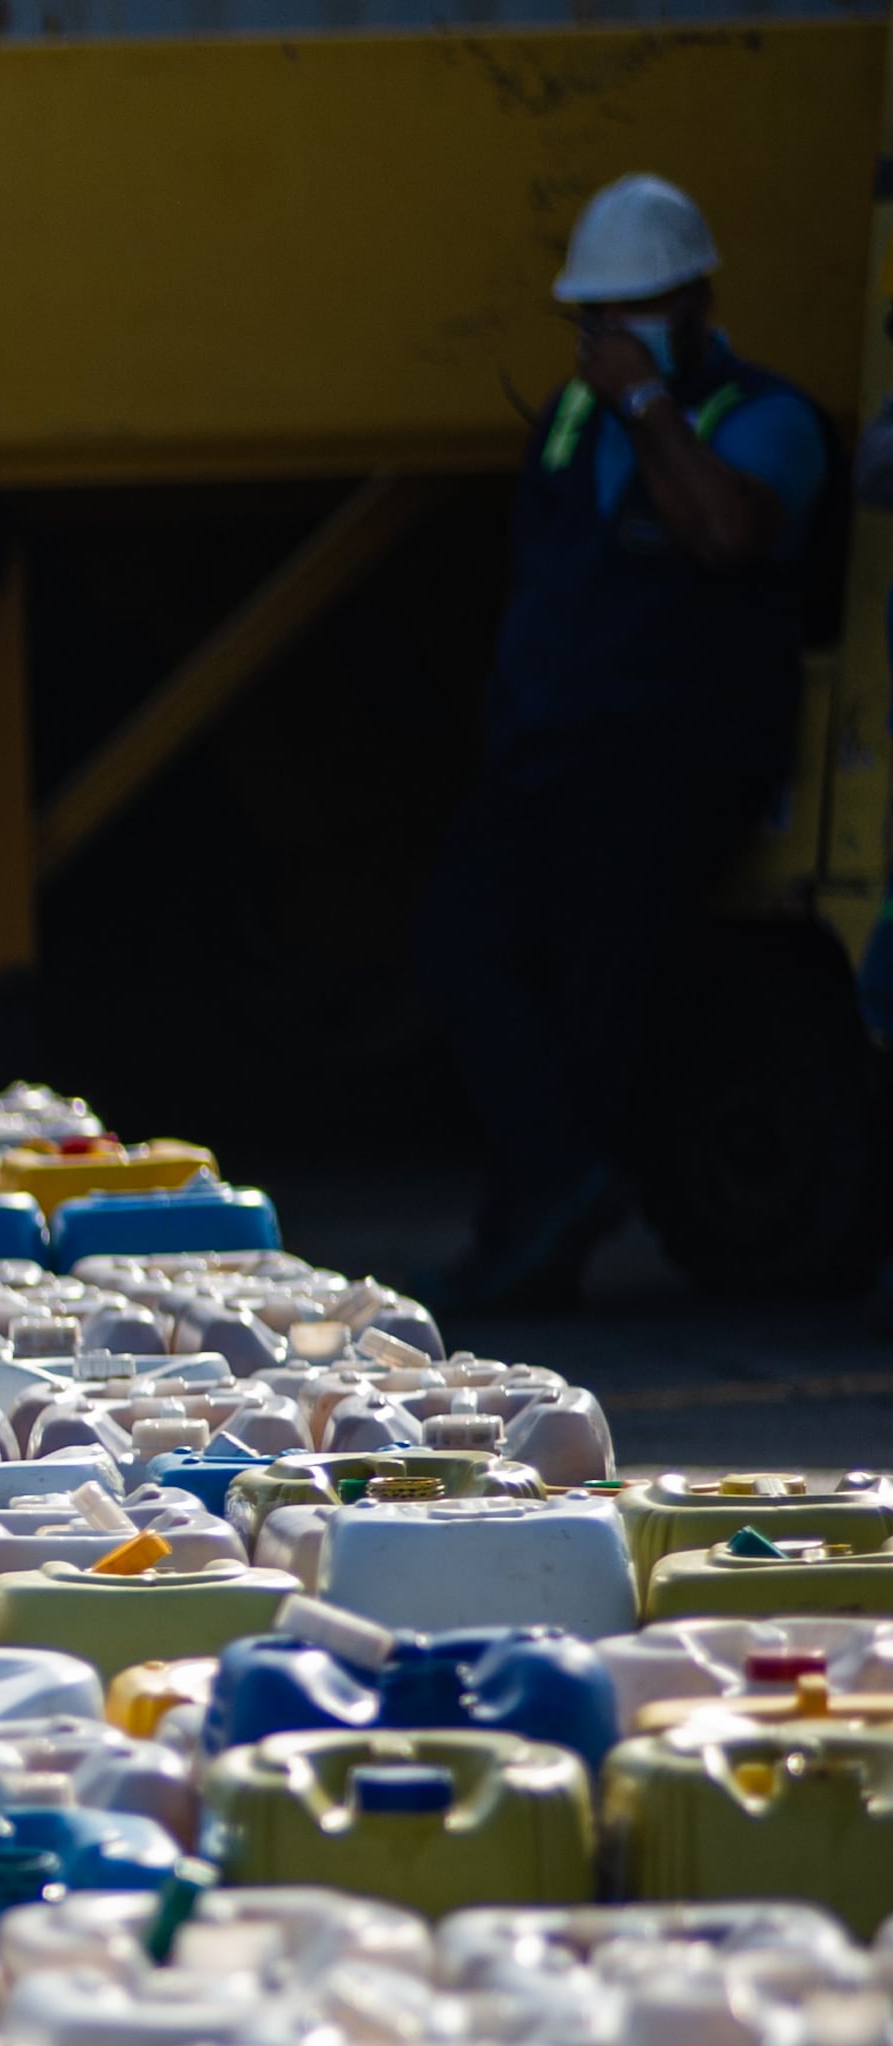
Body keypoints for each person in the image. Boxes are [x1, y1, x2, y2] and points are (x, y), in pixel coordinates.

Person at [416, 173, 833, 1310]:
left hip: (667, 755)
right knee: (458, 944)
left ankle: (534, 1228)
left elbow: (727, 535)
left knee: (600, 987)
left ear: (695, 300)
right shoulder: (566, 418)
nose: (605, 338)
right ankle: (548, 1183)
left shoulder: (761, 418)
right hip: (549, 743)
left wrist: (648, 404)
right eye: (591, 318)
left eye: (629, 311)